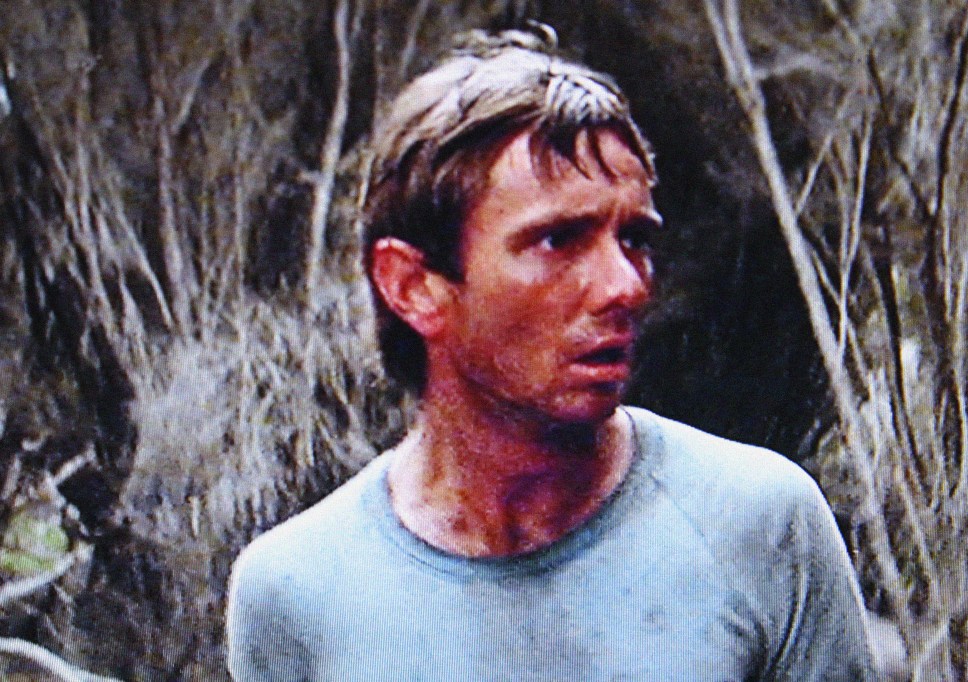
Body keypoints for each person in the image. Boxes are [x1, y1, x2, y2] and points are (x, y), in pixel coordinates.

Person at [226, 27, 881, 681]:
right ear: (413, 286)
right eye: (558, 240)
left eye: (634, 239)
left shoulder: (760, 528)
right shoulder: (296, 594)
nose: (625, 286)